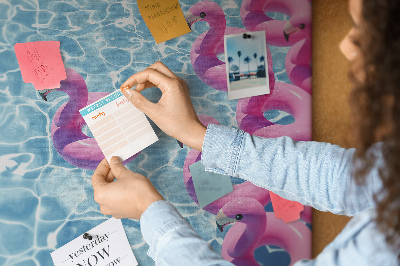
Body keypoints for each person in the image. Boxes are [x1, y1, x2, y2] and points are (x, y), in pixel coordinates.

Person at [91, 0, 400, 264]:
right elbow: (349, 178)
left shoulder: (383, 248)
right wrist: (197, 134)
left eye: (367, 31)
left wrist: (150, 212)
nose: (345, 46)